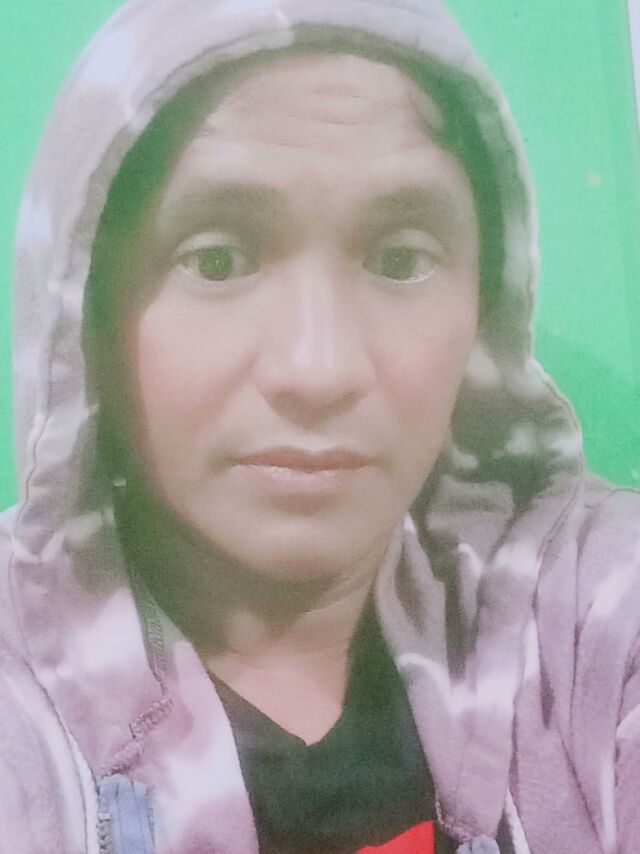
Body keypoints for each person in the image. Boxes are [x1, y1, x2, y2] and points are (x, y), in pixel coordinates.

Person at [0, 0, 639, 852]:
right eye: (217, 260)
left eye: (401, 260)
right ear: (84, 312)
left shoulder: (589, 618)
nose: (320, 368)